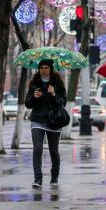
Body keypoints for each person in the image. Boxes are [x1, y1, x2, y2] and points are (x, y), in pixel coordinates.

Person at [24, 59, 67, 188]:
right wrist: (34, 97)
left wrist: (53, 94)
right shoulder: (34, 84)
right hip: (38, 120)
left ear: (51, 69)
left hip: (54, 121)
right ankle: (38, 178)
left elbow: (63, 103)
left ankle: (54, 176)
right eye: (41, 67)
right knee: (37, 148)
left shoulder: (58, 84)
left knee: (53, 151)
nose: (44, 70)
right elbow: (27, 103)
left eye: (46, 68)